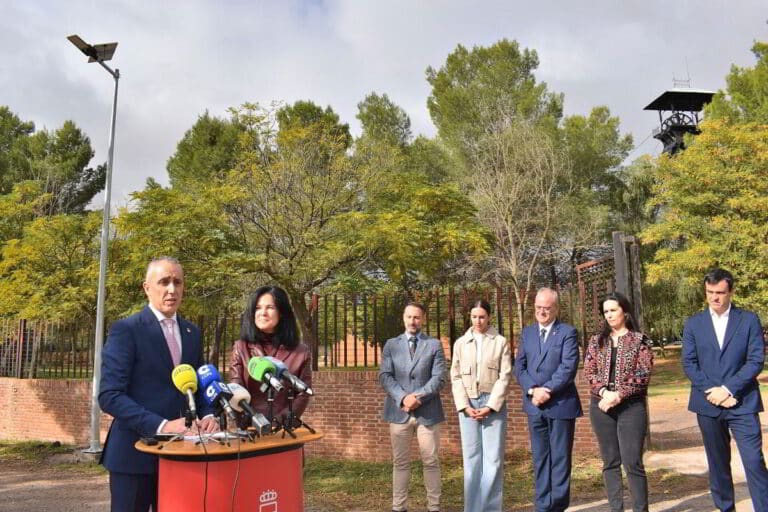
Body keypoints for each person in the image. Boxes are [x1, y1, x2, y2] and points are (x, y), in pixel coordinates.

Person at [99, 257, 217, 512]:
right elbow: (109, 395)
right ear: (147, 287)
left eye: (178, 282)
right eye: (164, 282)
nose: (172, 289)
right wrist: (161, 425)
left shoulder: (191, 332)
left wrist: (208, 413)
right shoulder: (126, 330)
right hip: (134, 456)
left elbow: (198, 383)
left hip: (181, 456)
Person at [682, 268, 768, 512]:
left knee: (753, 461)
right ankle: (725, 508)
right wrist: (714, 391)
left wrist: (729, 390)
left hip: (743, 402)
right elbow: (689, 363)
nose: (714, 298)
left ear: (731, 291)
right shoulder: (694, 323)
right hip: (708, 404)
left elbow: (755, 360)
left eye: (720, 292)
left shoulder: (749, 320)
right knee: (718, 464)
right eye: (710, 292)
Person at [514, 287, 581, 512]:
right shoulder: (527, 333)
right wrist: (533, 389)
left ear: (556, 308)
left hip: (560, 404)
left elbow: (568, 367)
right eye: (538, 307)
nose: (542, 312)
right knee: (540, 459)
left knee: (560, 459)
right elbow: (520, 366)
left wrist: (547, 390)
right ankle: (543, 506)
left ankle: (558, 506)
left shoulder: (567, 332)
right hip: (535, 406)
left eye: (547, 308)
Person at [584, 292, 653, 512]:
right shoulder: (597, 341)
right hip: (602, 406)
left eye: (613, 310)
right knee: (610, 462)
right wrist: (605, 392)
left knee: (632, 462)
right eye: (606, 311)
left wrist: (618, 395)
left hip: (631, 408)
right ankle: (616, 508)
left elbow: (643, 373)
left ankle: (640, 509)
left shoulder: (640, 340)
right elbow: (589, 370)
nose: (610, 315)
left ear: (624, 310)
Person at [379, 302, 446, 512]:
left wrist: (417, 396)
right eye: (409, 317)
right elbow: (385, 375)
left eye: (416, 317)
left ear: (423, 319)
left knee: (431, 461)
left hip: (428, 412)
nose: (412, 321)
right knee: (400, 463)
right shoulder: (391, 344)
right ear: (403, 318)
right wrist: (403, 398)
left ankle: (433, 507)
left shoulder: (434, 345)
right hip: (399, 412)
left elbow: (439, 378)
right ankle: (399, 507)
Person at [450, 299, 512, 512]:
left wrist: (491, 405)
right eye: (474, 316)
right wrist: (464, 405)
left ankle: (491, 508)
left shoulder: (500, 342)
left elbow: (505, 376)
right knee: (471, 458)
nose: (478, 321)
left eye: (482, 316)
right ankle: (472, 508)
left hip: (491, 404)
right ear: (470, 316)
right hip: (468, 405)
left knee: (492, 459)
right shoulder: (460, 343)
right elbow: (455, 376)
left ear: (489, 317)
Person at [228, 285, 312, 424]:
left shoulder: (300, 352)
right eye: (258, 308)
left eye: (270, 308)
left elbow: (302, 395)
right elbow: (236, 388)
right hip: (249, 431)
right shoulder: (240, 348)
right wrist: (256, 421)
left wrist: (278, 422)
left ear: (282, 312)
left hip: (284, 432)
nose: (263, 313)